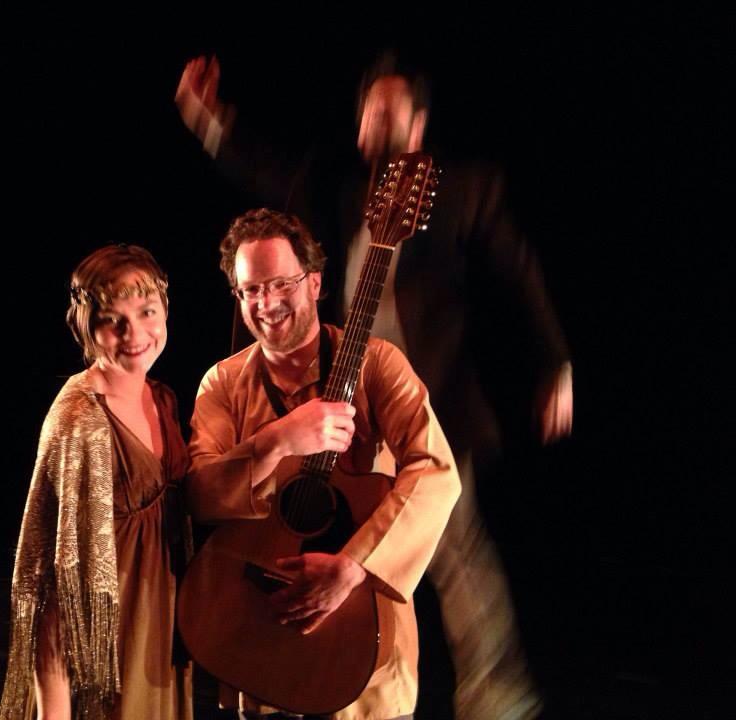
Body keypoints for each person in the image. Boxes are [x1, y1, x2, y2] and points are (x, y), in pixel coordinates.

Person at [176, 52, 572, 719]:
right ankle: (290, 667)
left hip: (420, 394)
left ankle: (488, 694)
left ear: (418, 123)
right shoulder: (335, 185)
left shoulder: (464, 188)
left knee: (451, 549)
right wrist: (210, 121)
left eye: (390, 111)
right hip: (335, 386)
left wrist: (554, 363)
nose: (376, 122)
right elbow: (267, 174)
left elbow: (519, 270)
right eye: (369, 110)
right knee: (301, 526)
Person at [186, 208, 461, 719]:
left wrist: (352, 567)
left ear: (314, 283)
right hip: (258, 638)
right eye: (251, 290)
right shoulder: (221, 384)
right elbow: (201, 495)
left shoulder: (377, 364)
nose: (266, 303)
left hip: (362, 655)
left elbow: (436, 471)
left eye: (281, 283)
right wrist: (278, 440)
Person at [0, 244, 192, 720]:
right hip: (105, 662)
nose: (135, 333)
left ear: (165, 309)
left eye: (147, 312)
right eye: (112, 320)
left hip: (158, 635)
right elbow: (54, 587)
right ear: (86, 327)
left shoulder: (163, 399)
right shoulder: (81, 419)